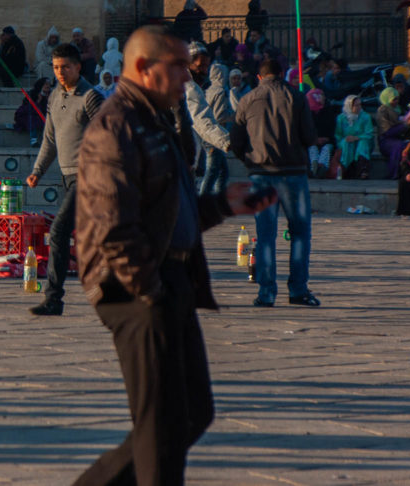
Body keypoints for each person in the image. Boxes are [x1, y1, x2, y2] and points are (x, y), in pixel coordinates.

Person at [74, 25, 273, 485]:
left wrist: (225, 204)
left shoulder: (155, 119)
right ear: (144, 67)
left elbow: (168, 211)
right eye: (179, 66)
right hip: (134, 288)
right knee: (162, 427)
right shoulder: (115, 127)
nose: (189, 75)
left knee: (191, 413)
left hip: (168, 278)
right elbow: (113, 227)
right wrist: (151, 291)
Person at [230, 57, 319, 308]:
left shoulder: (247, 100)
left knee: (265, 235)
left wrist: (250, 159)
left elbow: (235, 140)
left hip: (261, 174)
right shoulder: (297, 97)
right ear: (282, 74)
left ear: (259, 77)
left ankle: (267, 292)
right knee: (300, 234)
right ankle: (298, 290)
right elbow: (310, 136)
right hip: (293, 173)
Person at [26, 43, 102, 316]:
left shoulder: (91, 97)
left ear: (78, 67)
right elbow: (49, 139)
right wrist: (37, 170)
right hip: (67, 177)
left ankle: (53, 298)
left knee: (58, 232)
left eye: (65, 67)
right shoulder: (55, 97)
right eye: (56, 67)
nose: (60, 72)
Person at [185, 42, 231, 196]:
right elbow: (202, 120)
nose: (203, 70)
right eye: (199, 66)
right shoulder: (188, 87)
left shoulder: (193, 86)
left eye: (206, 66)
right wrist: (227, 141)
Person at [335, 95, 374, 179]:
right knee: (346, 143)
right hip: (347, 142)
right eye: (356, 105)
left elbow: (369, 134)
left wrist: (356, 138)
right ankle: (347, 169)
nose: (359, 107)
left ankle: (363, 170)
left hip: (363, 141)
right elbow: (338, 135)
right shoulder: (341, 118)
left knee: (362, 144)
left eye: (360, 105)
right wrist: (344, 140)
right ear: (350, 106)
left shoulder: (365, 117)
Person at [376, 87, 408, 180]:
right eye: (394, 99)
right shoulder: (382, 111)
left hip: (399, 137)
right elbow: (386, 132)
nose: (396, 101)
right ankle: (393, 174)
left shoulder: (399, 109)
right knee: (398, 146)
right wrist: (404, 126)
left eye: (397, 99)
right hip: (386, 141)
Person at [305, 88, 337, 179]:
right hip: (312, 141)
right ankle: (313, 168)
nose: (322, 98)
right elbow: (306, 130)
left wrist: (327, 138)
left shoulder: (329, 111)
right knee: (313, 149)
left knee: (326, 149)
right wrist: (314, 139)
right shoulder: (307, 113)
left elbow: (332, 129)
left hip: (327, 140)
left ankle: (322, 168)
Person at [13, 77, 50, 145]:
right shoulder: (33, 94)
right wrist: (38, 101)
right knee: (33, 119)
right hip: (27, 116)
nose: (47, 86)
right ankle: (34, 139)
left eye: (48, 84)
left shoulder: (50, 95)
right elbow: (27, 109)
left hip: (42, 116)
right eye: (45, 84)